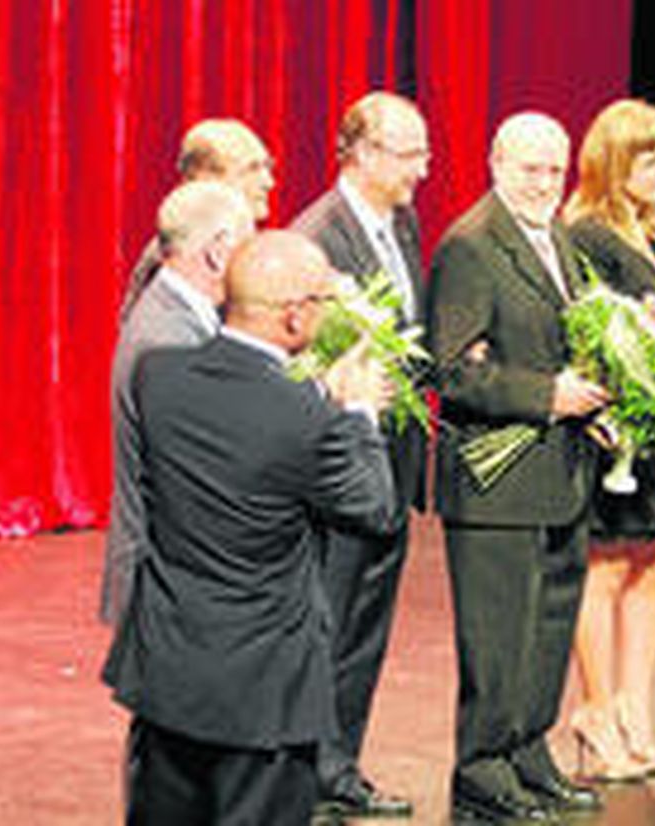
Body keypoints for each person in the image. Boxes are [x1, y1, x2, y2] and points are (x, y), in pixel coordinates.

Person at [102, 230, 397, 824]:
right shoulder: (312, 423)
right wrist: (359, 412)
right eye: (322, 301)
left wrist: (320, 399)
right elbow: (376, 509)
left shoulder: (160, 377)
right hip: (264, 691)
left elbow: (247, 426)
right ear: (294, 316)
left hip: (169, 671)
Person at [427, 112, 610, 822]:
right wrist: (548, 396)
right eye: (530, 168)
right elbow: (451, 370)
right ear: (496, 161)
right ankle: (482, 767)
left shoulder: (559, 238)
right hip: (496, 482)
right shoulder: (472, 245)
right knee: (498, 632)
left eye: (554, 170)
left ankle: (528, 747)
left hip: (560, 473)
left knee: (549, 623)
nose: (543, 183)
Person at [288, 90, 430, 819]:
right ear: (363, 153)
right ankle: (306, 769)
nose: (422, 170)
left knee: (366, 627)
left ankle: (339, 766)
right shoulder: (318, 234)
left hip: (389, 464)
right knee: (328, 624)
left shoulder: (399, 226)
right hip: (336, 470)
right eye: (409, 155)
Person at [562, 99, 655, 779]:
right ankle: (594, 712)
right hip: (614, 430)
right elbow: (588, 333)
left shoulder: (654, 234)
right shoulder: (589, 234)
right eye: (650, 159)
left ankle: (634, 706)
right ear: (615, 163)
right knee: (609, 565)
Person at [98, 180, 254, 628]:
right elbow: (203, 471)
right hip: (169, 589)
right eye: (247, 244)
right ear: (218, 252)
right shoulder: (169, 340)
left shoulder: (179, 317)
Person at [117, 118, 277, 320]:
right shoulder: (182, 253)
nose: (269, 182)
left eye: (268, 166)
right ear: (207, 178)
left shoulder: (230, 243)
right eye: (252, 169)